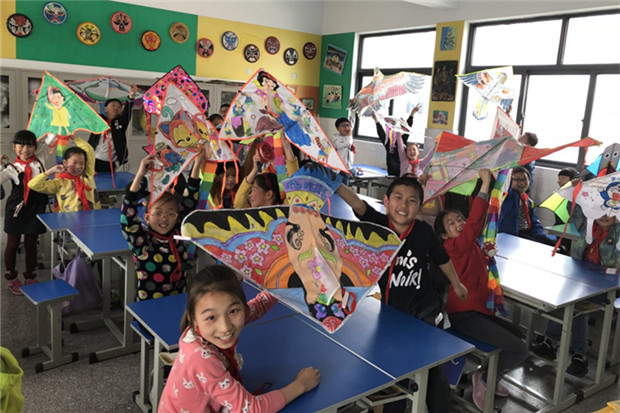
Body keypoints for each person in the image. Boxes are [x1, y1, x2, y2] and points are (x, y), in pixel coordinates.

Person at [336, 175, 467, 413]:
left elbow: (442, 258)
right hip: (392, 313)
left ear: (420, 206)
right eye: (398, 198)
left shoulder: (424, 232)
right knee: (392, 373)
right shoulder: (378, 224)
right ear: (386, 202)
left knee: (431, 373)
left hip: (425, 313)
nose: (404, 205)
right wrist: (336, 183)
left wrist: (457, 284)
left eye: (411, 200)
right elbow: (358, 204)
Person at [158, 265, 320, 412]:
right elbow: (252, 409)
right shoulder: (201, 360)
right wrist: (301, 384)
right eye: (211, 317)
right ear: (193, 318)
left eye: (233, 311)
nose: (225, 327)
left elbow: (259, 305)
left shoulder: (204, 326)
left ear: (242, 306)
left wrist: (284, 282)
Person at [434, 169, 528, 411]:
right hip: (465, 316)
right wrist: (485, 185)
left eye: (459, 219)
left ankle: (488, 375)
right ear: (443, 235)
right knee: (519, 349)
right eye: (451, 223)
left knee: (519, 335)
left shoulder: (468, 245)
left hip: (479, 311)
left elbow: (476, 230)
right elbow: (476, 221)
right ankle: (485, 379)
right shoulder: (453, 246)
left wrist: (486, 255)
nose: (459, 223)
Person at [532, 207, 620, 377]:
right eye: (600, 210)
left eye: (610, 212)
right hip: (581, 280)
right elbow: (575, 211)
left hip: (609, 285)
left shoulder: (617, 233)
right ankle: (555, 345)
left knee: (577, 305)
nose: (604, 216)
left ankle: (576, 353)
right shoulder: (585, 225)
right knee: (564, 294)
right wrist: (581, 195)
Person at [120, 147, 206, 300]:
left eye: (171, 214)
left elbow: (190, 199)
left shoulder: (178, 233)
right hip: (149, 304)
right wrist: (140, 174)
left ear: (177, 217)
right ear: (146, 218)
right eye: (158, 213)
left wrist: (197, 162)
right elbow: (128, 216)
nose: (164, 218)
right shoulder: (142, 242)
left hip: (179, 300)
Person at [1, 130, 48, 294]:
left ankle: (30, 275)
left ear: (35, 147)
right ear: (14, 147)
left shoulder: (40, 160)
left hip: (35, 207)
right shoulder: (11, 168)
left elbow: (51, 139)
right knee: (12, 244)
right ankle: (12, 278)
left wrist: (59, 122)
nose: (25, 149)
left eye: (29, 145)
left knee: (31, 244)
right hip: (16, 209)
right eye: (20, 145)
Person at [28, 135, 101, 212]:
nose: (78, 166)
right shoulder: (59, 182)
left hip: (93, 216)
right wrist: (51, 171)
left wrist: (74, 137)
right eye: (74, 163)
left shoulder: (87, 174)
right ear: (65, 163)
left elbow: (89, 150)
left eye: (81, 163)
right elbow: (33, 184)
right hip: (70, 218)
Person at [234, 136, 298, 209]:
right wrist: (255, 170)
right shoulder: (251, 213)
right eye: (268, 149)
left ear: (269, 194)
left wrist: (286, 146)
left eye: (276, 149)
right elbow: (238, 204)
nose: (250, 195)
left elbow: (295, 188)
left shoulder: (284, 209)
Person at [498, 166, 556, 246]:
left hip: (528, 233)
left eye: (524, 179)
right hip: (514, 235)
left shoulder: (529, 201)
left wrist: (541, 237)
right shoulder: (507, 198)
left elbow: (535, 223)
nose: (521, 183)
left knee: (555, 245)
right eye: (517, 179)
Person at [88, 85, 137, 172]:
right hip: (92, 160)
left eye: (119, 107)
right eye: (113, 105)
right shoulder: (99, 120)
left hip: (111, 163)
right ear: (105, 109)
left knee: (109, 180)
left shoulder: (121, 123)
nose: (116, 108)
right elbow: (87, 112)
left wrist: (131, 97)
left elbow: (127, 112)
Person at [372, 104, 421, 177]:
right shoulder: (388, 142)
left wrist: (412, 113)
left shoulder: (402, 139)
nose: (394, 131)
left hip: (403, 170)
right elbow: (381, 132)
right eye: (392, 129)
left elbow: (407, 126)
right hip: (392, 170)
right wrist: (376, 120)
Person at [332, 117, 354, 184]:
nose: (346, 127)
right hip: (340, 169)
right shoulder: (335, 139)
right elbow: (348, 143)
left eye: (348, 125)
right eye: (343, 126)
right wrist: (350, 134)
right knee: (341, 188)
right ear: (337, 128)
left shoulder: (348, 137)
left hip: (348, 168)